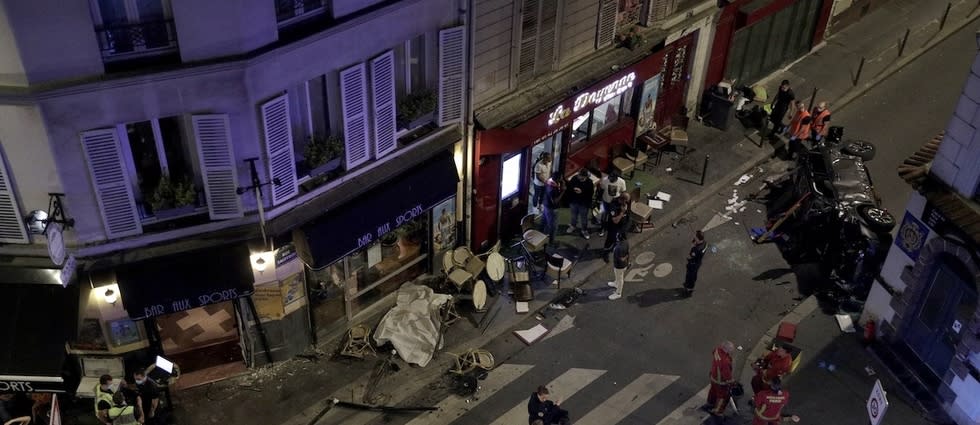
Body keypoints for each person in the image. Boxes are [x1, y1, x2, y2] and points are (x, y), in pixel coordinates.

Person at [705, 341, 736, 416]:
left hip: (713, 376)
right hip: (720, 382)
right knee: (722, 396)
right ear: (726, 349)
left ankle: (710, 402)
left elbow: (713, 353)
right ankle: (717, 411)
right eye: (731, 349)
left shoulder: (717, 350)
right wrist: (732, 382)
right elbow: (727, 376)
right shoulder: (725, 361)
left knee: (712, 391)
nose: (732, 351)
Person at [565, 168, 595, 239]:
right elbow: (569, 188)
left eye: (580, 175)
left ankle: (584, 230)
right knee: (573, 216)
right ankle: (573, 226)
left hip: (584, 204)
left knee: (584, 218)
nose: (578, 176)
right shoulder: (574, 178)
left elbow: (590, 194)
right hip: (574, 202)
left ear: (584, 176)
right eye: (578, 174)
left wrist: (582, 192)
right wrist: (573, 190)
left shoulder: (589, 182)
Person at [597, 170, 627, 237]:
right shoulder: (605, 180)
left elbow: (623, 193)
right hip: (605, 202)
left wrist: (622, 203)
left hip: (615, 204)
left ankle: (610, 229)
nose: (610, 179)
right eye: (609, 178)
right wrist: (598, 199)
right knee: (603, 217)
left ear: (616, 177)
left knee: (612, 217)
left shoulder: (622, 182)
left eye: (612, 179)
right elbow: (601, 190)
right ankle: (602, 228)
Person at [601, 195, 629, 262]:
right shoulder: (613, 205)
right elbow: (615, 221)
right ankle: (605, 254)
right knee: (609, 241)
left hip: (622, 228)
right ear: (622, 200)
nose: (626, 203)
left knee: (623, 241)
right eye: (626, 201)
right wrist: (622, 212)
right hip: (613, 228)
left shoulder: (624, 204)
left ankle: (621, 253)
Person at [541, 172, 564, 245]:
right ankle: (552, 241)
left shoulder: (550, 181)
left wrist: (562, 182)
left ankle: (542, 234)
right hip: (551, 208)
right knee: (554, 226)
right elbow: (555, 201)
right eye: (561, 177)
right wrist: (563, 191)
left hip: (546, 204)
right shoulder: (553, 189)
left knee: (544, 221)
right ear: (557, 179)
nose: (562, 178)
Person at [682, 231, 707, 295]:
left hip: (693, 264)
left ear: (698, 239)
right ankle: (689, 286)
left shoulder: (696, 249)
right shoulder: (705, 243)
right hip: (698, 262)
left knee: (690, 276)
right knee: (694, 275)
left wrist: (692, 246)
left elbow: (691, 254)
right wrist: (695, 243)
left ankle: (689, 290)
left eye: (695, 237)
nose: (694, 237)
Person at [607, 232, 631, 300]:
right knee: (617, 276)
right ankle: (616, 283)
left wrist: (624, 261)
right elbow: (628, 253)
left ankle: (618, 293)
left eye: (617, 236)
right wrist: (627, 262)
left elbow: (621, 259)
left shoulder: (618, 248)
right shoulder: (626, 242)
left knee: (620, 278)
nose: (616, 237)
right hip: (622, 265)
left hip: (619, 266)